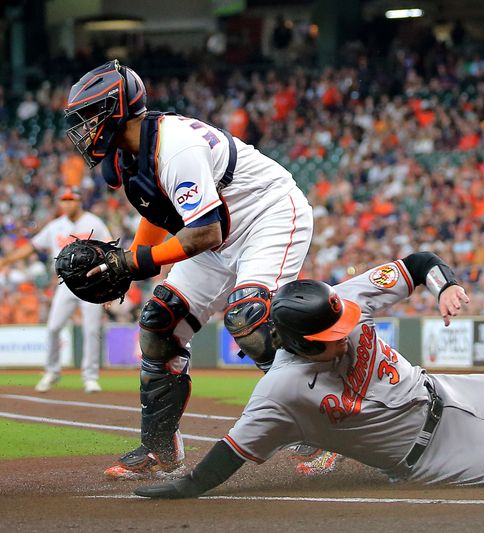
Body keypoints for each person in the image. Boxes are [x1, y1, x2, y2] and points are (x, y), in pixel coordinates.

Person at [134, 252, 484, 498]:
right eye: (331, 337)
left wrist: (445, 284)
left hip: (447, 391)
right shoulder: (282, 391)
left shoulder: (340, 300)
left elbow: (417, 263)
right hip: (437, 457)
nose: (344, 334)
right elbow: (229, 452)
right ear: (297, 344)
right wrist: (181, 487)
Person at [63, 59, 319, 479]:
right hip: (219, 228)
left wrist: (133, 261)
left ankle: (326, 431)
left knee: (250, 319)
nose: (84, 128)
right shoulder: (129, 155)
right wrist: (130, 264)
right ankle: (160, 448)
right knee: (159, 322)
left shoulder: (175, 146)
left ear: (117, 110)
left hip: (266, 214)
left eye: (91, 115)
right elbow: (160, 214)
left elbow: (204, 235)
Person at [0, 186, 110, 393]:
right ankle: (52, 371)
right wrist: (7, 259)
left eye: (71, 199)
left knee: (92, 330)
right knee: (53, 327)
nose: (67, 203)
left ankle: (90, 377)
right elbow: (32, 246)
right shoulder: (55, 226)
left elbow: (110, 251)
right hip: (66, 285)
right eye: (64, 200)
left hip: (92, 284)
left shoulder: (94, 222)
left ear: (79, 201)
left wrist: (108, 283)